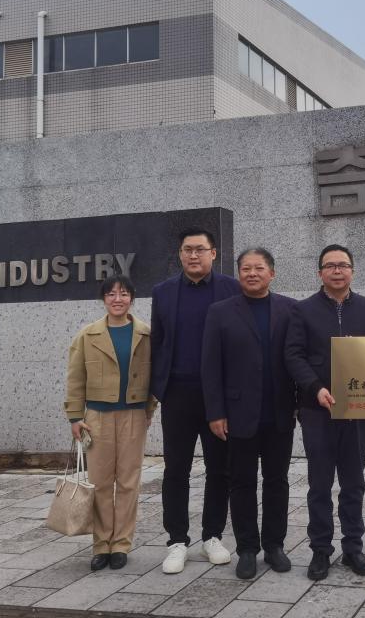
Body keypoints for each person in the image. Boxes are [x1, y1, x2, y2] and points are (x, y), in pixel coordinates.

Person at [284, 244, 365, 581]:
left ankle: (353, 547)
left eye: (343, 265)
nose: (337, 270)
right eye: (330, 265)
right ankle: (320, 550)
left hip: (357, 408)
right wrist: (316, 388)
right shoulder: (303, 310)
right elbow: (294, 355)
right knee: (320, 483)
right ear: (320, 273)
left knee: (354, 482)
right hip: (317, 409)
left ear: (352, 271)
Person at [201, 248, 298, 579]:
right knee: (241, 482)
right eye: (245, 268)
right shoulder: (220, 312)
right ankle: (246, 548)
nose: (252, 273)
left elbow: (299, 357)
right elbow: (211, 366)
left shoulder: (290, 309)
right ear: (239, 273)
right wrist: (215, 412)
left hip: (279, 412)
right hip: (238, 413)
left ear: (272, 273)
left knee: (277, 481)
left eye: (259, 268)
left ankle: (274, 545)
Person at [150, 227, 240, 574]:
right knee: (176, 469)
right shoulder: (164, 292)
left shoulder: (231, 289)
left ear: (213, 253)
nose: (193, 255)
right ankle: (177, 540)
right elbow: (158, 342)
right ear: (180, 254)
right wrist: (159, 389)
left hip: (219, 397)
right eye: (187, 249)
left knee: (220, 468)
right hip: (178, 394)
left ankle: (212, 536)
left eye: (200, 249)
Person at [65, 274, 155, 571]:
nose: (118, 299)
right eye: (112, 294)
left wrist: (149, 408)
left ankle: (121, 544)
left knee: (128, 482)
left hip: (133, 415)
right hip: (96, 418)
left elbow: (154, 375)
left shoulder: (145, 334)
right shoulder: (87, 335)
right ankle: (101, 544)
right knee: (100, 483)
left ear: (132, 299)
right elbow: (75, 378)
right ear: (103, 299)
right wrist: (75, 416)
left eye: (124, 294)